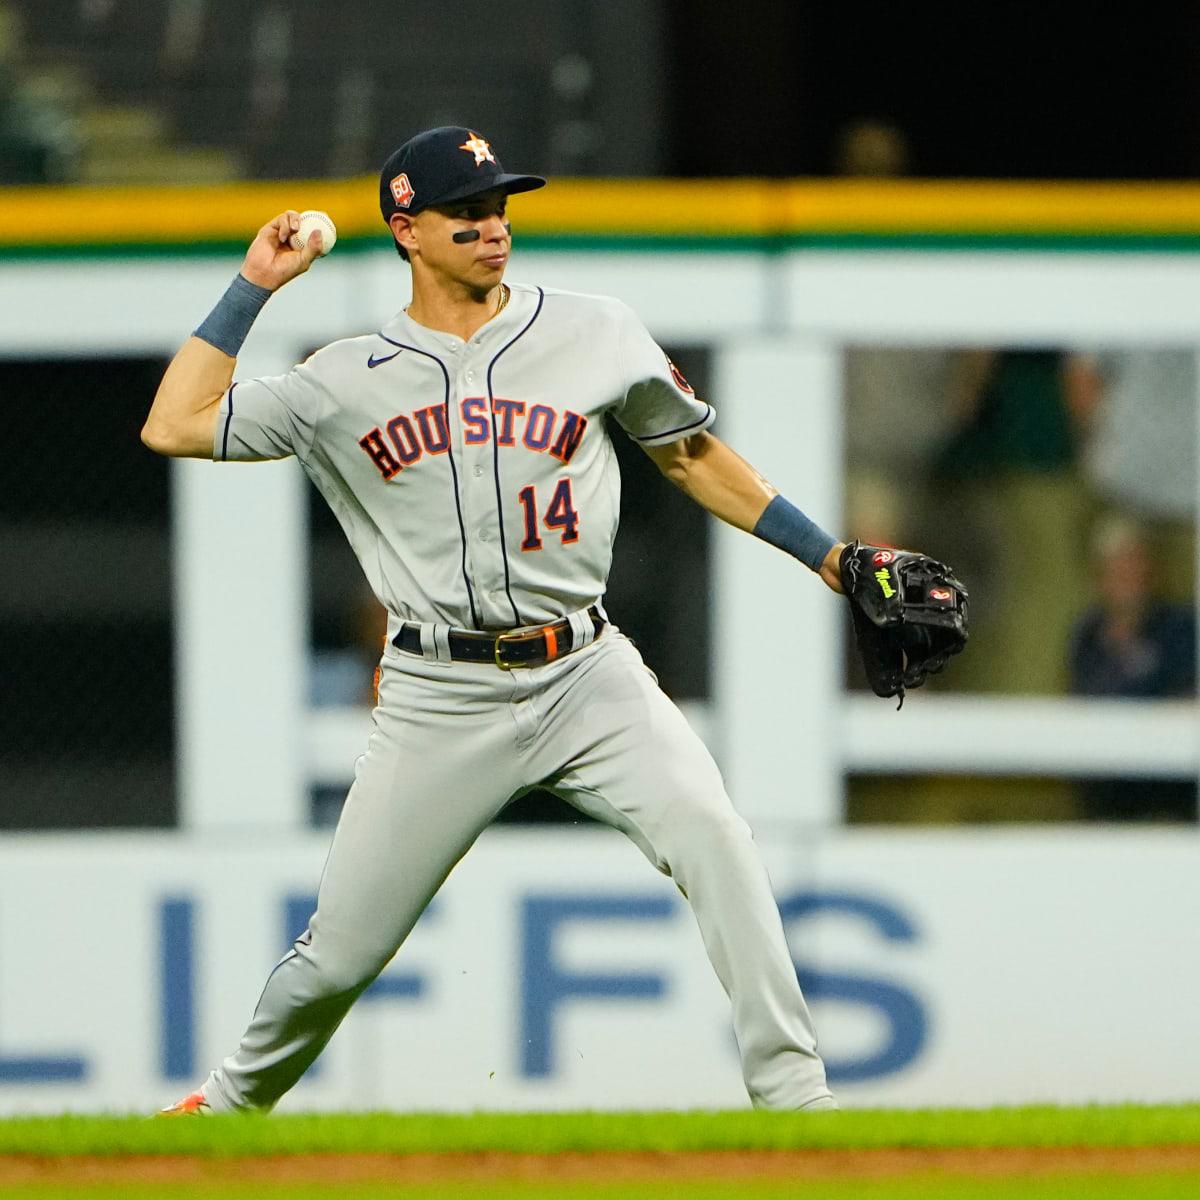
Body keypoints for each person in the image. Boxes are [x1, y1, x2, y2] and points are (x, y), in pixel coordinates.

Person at [144, 127, 843, 1115]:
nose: (491, 225)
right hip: (438, 692)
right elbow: (173, 423)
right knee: (339, 953)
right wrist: (255, 286)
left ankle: (798, 1103)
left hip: (586, 672)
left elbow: (693, 458)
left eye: (500, 205)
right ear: (406, 230)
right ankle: (224, 1107)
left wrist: (835, 559)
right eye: (464, 210)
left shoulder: (594, 330)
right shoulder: (345, 377)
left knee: (715, 837)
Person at [1068, 515, 1197, 821]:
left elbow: (1187, 700)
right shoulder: (1086, 635)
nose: (1127, 576)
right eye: (1116, 567)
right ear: (1099, 576)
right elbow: (1080, 705)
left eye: (1134, 563)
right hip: (1106, 802)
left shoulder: (1180, 628)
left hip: (1170, 801)